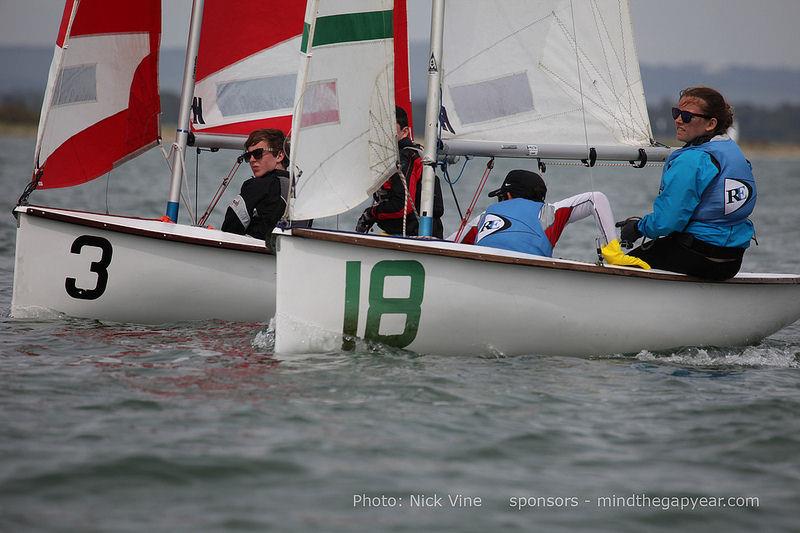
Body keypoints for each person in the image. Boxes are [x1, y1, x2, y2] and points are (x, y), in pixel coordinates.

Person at [617, 87, 756, 281]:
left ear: (711, 124)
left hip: (698, 256)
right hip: (731, 260)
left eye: (687, 116)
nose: (678, 120)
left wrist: (637, 228)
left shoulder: (692, 159)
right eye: (677, 113)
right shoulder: (733, 152)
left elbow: (668, 220)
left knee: (620, 267)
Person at [472, 169, 650, 269]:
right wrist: (614, 255)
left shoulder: (483, 217)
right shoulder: (549, 213)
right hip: (534, 279)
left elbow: (448, 243)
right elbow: (595, 199)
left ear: (508, 196)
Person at [355, 106, 445, 238]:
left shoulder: (404, 158)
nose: (384, 133)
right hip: (402, 234)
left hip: (414, 236)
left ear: (405, 131)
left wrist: (371, 214)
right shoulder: (395, 156)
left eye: (390, 129)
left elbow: (402, 206)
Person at [221, 128, 289, 240]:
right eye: (248, 156)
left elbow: (230, 228)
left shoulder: (256, 185)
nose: (252, 160)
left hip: (250, 253)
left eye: (258, 154)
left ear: (279, 155)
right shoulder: (299, 189)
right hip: (285, 254)